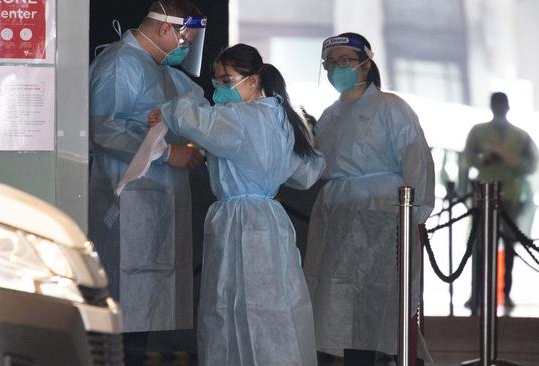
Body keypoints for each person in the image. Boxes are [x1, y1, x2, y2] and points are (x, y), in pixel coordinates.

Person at [148, 43, 325, 366]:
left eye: (226, 81)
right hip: (271, 222)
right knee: (275, 311)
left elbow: (192, 120)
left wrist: (180, 101)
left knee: (232, 311)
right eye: (215, 81)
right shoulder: (282, 118)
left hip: (240, 222)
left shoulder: (238, 118)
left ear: (253, 80)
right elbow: (308, 173)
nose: (218, 89)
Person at [303, 33, 435, 365]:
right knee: (338, 303)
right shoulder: (331, 114)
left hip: (382, 217)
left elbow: (416, 161)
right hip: (338, 218)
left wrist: (416, 216)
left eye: (345, 61)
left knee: (376, 302)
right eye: (330, 63)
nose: (337, 69)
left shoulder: (390, 107)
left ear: (365, 63)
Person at [88, 1, 207, 364]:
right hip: (128, 198)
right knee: (126, 298)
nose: (187, 46)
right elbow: (103, 127)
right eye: (185, 37)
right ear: (163, 29)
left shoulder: (158, 69)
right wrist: (169, 155)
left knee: (148, 301)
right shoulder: (120, 63)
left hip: (158, 200)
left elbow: (195, 107)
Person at [462, 91, 538, 310]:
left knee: (509, 246)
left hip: (512, 195)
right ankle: (476, 293)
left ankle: (506, 292)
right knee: (478, 245)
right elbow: (468, 158)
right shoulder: (478, 132)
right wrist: (485, 158)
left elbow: (532, 164)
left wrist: (512, 160)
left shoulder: (521, 136)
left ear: (506, 107)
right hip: (482, 195)